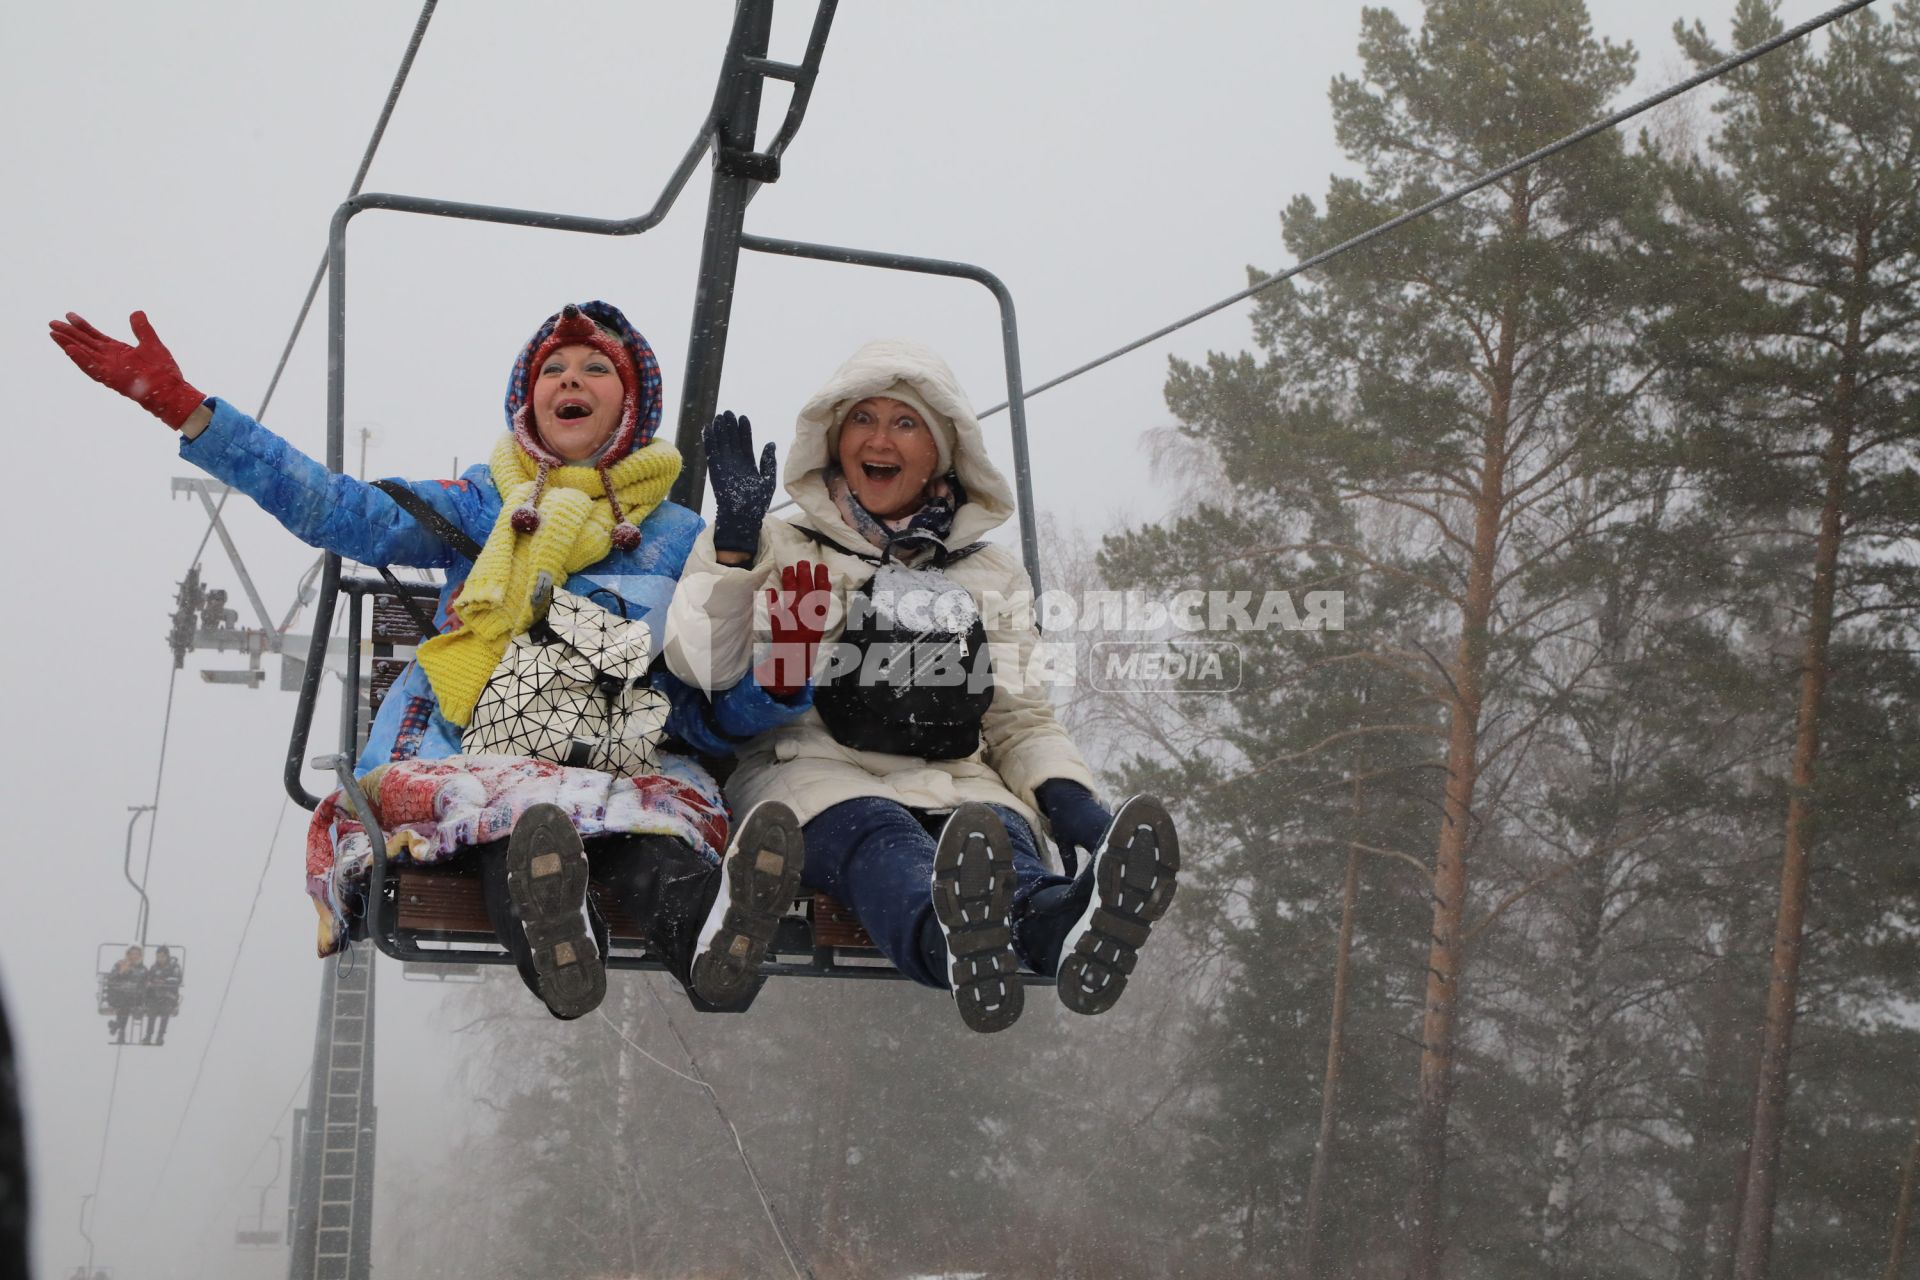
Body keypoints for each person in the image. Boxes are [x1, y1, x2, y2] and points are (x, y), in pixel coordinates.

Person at [51, 303, 820, 1020]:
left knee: (650, 831)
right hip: (476, 736)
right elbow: (338, 510)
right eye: (554, 370)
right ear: (528, 400)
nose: (571, 382)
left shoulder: (680, 537)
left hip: (614, 744)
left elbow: (706, 689)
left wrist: (783, 660)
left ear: (630, 404)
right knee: (506, 817)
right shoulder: (484, 504)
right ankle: (560, 941)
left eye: (595, 369)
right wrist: (185, 408)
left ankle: (713, 938)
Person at [666, 340, 1180, 1032]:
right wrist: (731, 551)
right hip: (814, 777)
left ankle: (1069, 927)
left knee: (1000, 843)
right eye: (863, 421)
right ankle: (952, 942)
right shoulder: (780, 545)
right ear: (835, 438)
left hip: (960, 781)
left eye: (905, 424)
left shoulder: (987, 574)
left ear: (941, 452)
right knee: (882, 843)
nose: (880, 440)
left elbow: (1019, 719)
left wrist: (1076, 809)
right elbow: (702, 666)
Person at [102, 946, 146, 1045]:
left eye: (137, 954)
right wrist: (121, 972)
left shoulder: (142, 969)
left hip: (133, 997)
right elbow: (111, 979)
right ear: (128, 954)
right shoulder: (119, 964)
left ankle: (118, 1028)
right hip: (119, 995)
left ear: (140, 956)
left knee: (125, 1005)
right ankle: (119, 1030)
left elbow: (144, 983)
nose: (134, 956)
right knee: (124, 1004)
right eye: (132, 954)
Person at [141, 945, 182, 1046]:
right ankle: (148, 1035)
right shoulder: (154, 967)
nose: (160, 959)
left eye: (162, 956)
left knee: (165, 1011)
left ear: (167, 956)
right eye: (158, 956)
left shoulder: (174, 967)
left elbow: (177, 980)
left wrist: (163, 982)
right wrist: (149, 983)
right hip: (155, 996)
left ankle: (160, 1036)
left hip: (168, 996)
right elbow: (149, 978)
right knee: (152, 1012)